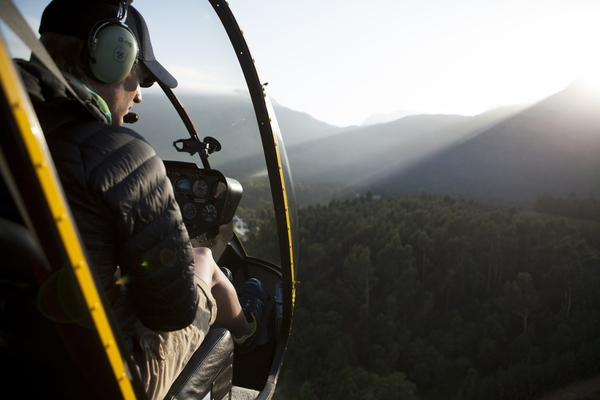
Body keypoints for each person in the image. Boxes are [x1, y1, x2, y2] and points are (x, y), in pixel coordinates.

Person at [15, 0, 266, 398]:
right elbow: (174, 311)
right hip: (105, 376)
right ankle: (251, 330)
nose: (139, 97)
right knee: (202, 260)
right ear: (110, 58)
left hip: (24, 351)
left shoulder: (16, 131)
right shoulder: (122, 155)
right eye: (138, 76)